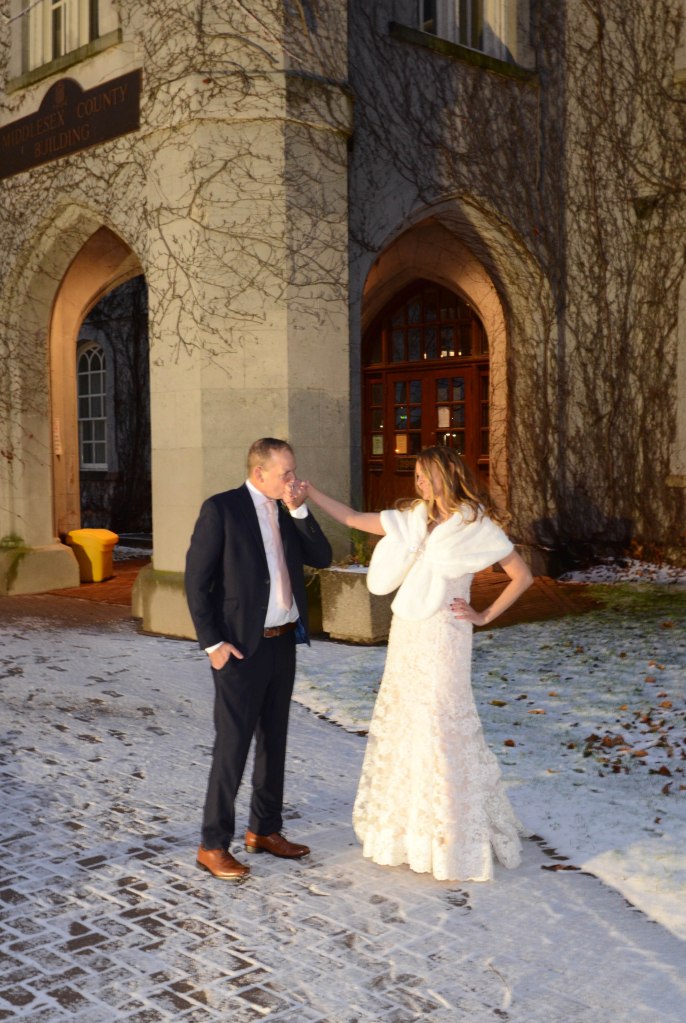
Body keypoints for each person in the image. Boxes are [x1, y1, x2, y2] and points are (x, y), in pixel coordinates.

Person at [303, 445, 533, 882]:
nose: (419, 484)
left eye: (425, 476)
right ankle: (409, 833)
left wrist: (483, 615)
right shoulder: (410, 519)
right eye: (417, 477)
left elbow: (523, 576)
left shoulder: (474, 524)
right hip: (407, 633)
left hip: (445, 637)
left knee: (441, 725)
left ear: (446, 476)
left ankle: (451, 839)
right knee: (409, 724)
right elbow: (353, 518)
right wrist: (312, 492)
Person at [185, 438, 332, 881]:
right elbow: (197, 583)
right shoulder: (222, 509)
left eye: (294, 472)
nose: (294, 480)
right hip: (240, 649)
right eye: (286, 473)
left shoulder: (287, 510)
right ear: (259, 472)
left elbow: (322, 557)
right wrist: (214, 645)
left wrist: (301, 509)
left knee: (275, 740)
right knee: (233, 747)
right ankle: (213, 845)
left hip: (282, 642)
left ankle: (265, 829)